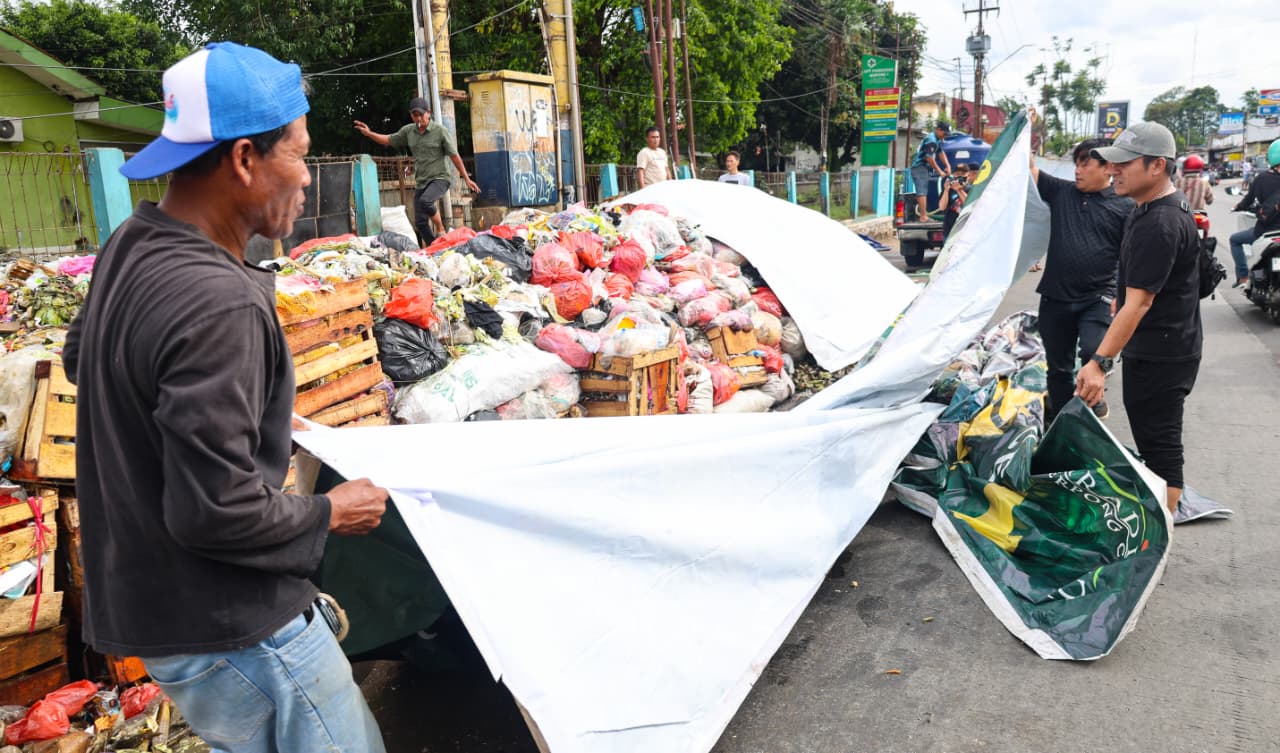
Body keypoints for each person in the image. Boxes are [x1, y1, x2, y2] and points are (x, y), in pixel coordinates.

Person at [64, 42, 390, 753]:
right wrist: (331, 510)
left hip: (156, 610)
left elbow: (85, 357)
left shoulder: (132, 242)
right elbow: (213, 510)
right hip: (234, 622)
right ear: (245, 159)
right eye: (299, 155)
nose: (306, 180)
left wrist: (246, 410)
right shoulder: (217, 300)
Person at [1077, 122, 1201, 516]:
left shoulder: (1159, 223)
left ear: (1156, 166)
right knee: (1153, 441)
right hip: (1163, 345)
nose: (1114, 171)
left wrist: (1099, 362)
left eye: (1124, 164)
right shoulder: (1151, 208)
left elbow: (1139, 305)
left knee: (1160, 445)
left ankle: (1159, 532)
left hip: (1163, 353)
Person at [1028, 127, 1135, 422]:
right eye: (1076, 163)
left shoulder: (1124, 205)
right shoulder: (1062, 192)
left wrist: (1121, 296)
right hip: (1055, 297)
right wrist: (1026, 128)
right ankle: (1063, 422)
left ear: (1107, 168)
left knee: (1093, 351)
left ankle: (1093, 392)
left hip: (1097, 297)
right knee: (1058, 368)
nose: (1078, 170)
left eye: (1085, 164)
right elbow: (1029, 168)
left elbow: (1130, 257)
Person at [355, 97, 480, 247]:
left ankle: (441, 229)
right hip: (422, 181)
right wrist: (369, 133)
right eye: (415, 115)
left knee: (426, 201)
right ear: (411, 115)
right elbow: (388, 140)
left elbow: (454, 156)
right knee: (420, 222)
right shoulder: (409, 131)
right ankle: (434, 248)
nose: (419, 118)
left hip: (440, 178)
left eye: (421, 114)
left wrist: (466, 178)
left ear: (428, 113)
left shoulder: (440, 131)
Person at [1228, 140, 1280, 287]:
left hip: (1266, 232)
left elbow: (1249, 201)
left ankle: (1243, 277)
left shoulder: (1262, 179)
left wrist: (1238, 206)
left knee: (1235, 240)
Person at [909, 121, 952, 220]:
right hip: (919, 166)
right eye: (944, 134)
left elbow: (941, 152)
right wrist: (940, 171)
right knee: (922, 190)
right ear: (938, 130)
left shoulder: (937, 140)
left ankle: (924, 214)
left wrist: (948, 165)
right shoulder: (931, 140)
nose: (944, 136)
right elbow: (929, 158)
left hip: (924, 167)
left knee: (924, 190)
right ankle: (923, 216)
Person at [940, 162, 976, 239]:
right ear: (953, 175)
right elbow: (942, 207)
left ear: (968, 175)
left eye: (963, 173)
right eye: (957, 173)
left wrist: (959, 190)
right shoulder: (949, 189)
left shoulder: (972, 189)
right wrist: (946, 190)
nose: (960, 176)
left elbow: (970, 204)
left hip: (966, 229)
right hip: (950, 229)